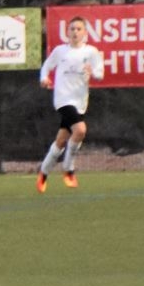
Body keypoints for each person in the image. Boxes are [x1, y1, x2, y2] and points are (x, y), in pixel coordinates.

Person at [36, 16, 104, 193]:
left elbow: (100, 74)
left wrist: (93, 72)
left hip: (80, 101)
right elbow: (46, 66)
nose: (75, 32)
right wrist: (44, 78)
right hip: (63, 99)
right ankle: (68, 169)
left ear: (85, 33)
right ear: (67, 32)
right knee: (80, 130)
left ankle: (43, 173)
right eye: (72, 29)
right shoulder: (60, 51)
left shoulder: (91, 52)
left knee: (61, 140)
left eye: (78, 29)